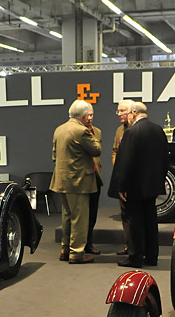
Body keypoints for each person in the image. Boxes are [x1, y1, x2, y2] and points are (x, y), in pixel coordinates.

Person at [108, 101, 169, 269]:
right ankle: (151, 256)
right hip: (152, 187)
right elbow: (165, 159)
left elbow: (126, 163)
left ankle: (135, 257)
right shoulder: (158, 130)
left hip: (135, 187)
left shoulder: (131, 132)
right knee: (150, 221)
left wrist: (122, 187)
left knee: (135, 222)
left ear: (133, 113)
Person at [51, 100, 101, 264]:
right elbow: (96, 149)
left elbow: (54, 156)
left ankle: (65, 249)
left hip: (62, 181)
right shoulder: (81, 131)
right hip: (79, 182)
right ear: (85, 116)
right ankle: (77, 253)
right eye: (89, 115)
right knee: (80, 219)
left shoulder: (59, 129)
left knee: (67, 217)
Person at [111, 99, 133, 255]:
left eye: (122, 111)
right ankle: (128, 245)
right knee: (125, 215)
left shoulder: (139, 129)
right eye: (118, 111)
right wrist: (118, 168)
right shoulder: (119, 130)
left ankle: (138, 246)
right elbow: (114, 151)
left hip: (135, 181)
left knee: (136, 216)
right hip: (122, 180)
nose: (119, 114)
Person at [84, 119, 103, 256]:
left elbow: (98, 152)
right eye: (87, 115)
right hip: (82, 178)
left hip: (95, 175)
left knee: (92, 213)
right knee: (81, 215)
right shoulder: (77, 131)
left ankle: (88, 243)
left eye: (91, 115)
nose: (89, 118)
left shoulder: (97, 131)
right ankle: (78, 244)